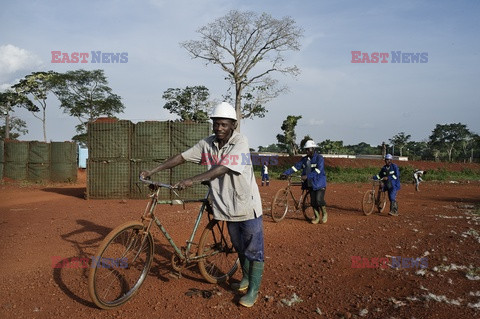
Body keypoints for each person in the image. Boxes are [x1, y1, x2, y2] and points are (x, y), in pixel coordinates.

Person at [140, 102, 264, 308]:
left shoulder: (240, 142)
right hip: (226, 206)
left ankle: (253, 290)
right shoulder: (208, 145)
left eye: (224, 124)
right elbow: (182, 157)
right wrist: (154, 171)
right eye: (216, 124)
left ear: (233, 125)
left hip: (247, 206)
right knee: (240, 247)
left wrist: (193, 180)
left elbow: (223, 167)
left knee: (254, 250)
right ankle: (245, 278)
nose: (219, 128)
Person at [280, 140, 328, 224]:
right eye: (306, 149)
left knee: (319, 200)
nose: (307, 151)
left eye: (308, 149)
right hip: (311, 183)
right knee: (313, 202)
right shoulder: (304, 159)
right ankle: (316, 217)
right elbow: (295, 167)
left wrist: (307, 176)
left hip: (319, 183)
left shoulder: (319, 158)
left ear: (313, 149)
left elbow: (318, 170)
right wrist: (285, 173)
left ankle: (324, 214)